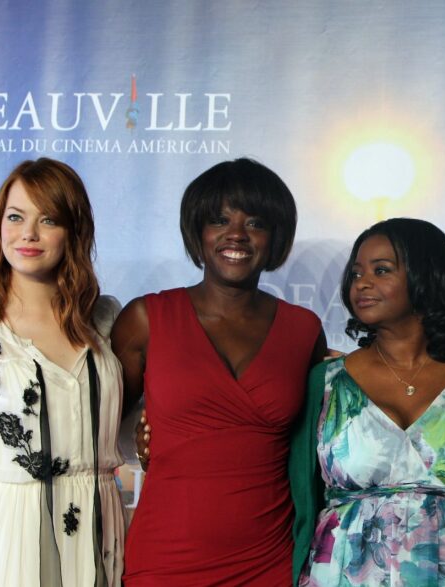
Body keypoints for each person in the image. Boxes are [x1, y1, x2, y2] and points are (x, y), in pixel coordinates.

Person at [113, 158, 326, 586]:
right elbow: (94, 426)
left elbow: (319, 445)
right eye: (219, 220)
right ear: (198, 232)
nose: (236, 234)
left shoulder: (303, 330)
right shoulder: (146, 318)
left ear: (275, 237)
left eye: (255, 222)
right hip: (165, 556)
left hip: (269, 558)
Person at [289, 218, 445, 586]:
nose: (361, 283)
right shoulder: (327, 382)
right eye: (356, 273)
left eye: (381, 270)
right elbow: (301, 502)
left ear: (427, 276)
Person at [0, 158, 125, 586]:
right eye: (15, 217)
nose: (28, 233)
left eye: (48, 219)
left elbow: (126, 436)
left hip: (100, 528)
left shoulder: (106, 319)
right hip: (11, 537)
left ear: (74, 231)